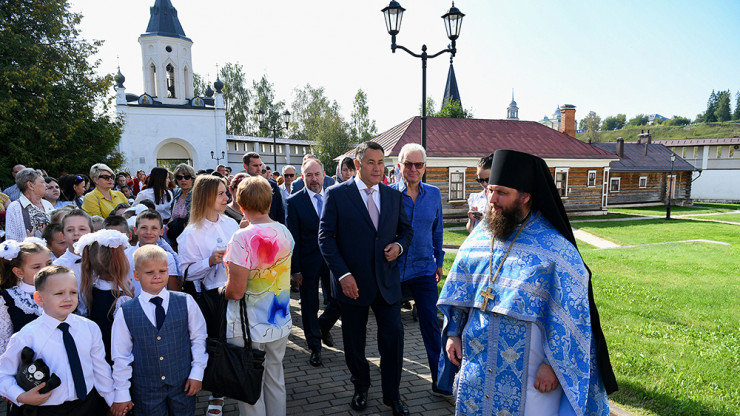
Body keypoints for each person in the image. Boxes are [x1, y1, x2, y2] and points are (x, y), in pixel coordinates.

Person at [438, 149, 618, 416]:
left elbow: (573, 316)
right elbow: (459, 289)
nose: (492, 199)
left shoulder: (556, 249)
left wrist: (553, 365)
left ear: (525, 197)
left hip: (531, 371)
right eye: (490, 190)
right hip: (478, 359)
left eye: (502, 193)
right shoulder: (480, 238)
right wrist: (453, 332)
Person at [318, 141, 413, 416]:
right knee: (354, 342)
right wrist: (343, 275)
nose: (377, 168)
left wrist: (399, 247)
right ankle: (361, 387)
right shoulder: (336, 194)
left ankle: (392, 396)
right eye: (371, 162)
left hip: (387, 284)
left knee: (394, 339)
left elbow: (405, 231)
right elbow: (326, 238)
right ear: (357, 165)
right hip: (352, 285)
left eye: (381, 162)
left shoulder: (393, 196)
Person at [0, 265, 115, 414]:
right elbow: (3, 374)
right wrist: (21, 396)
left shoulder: (89, 328)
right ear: (39, 298)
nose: (68, 298)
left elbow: (100, 369)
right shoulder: (26, 335)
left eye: (73, 292)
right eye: (59, 293)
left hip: (87, 406)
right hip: (45, 410)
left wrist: (113, 400)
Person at [224, 175, 294, 416]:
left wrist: (221, 290)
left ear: (240, 204)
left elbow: (236, 290)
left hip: (249, 325)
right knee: (274, 377)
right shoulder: (284, 231)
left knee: (248, 384)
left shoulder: (241, 238)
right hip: (278, 319)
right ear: (269, 202)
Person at [110, 245, 207, 416]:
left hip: (182, 384)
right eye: (149, 272)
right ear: (136, 275)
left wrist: (197, 373)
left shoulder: (186, 301)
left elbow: (198, 338)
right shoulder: (126, 311)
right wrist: (122, 392)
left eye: (162, 271)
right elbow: (121, 355)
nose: (157, 276)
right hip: (146, 390)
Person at [389, 143, 449, 397]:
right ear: (399, 166)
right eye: (408, 164)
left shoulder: (434, 194)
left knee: (431, 326)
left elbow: (437, 230)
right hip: (394, 271)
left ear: (425, 167)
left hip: (424, 270)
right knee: (392, 330)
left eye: (418, 164)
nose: (413, 169)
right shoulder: (387, 194)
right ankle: (391, 386)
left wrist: (439, 261)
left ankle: (440, 382)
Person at [286, 159, 341, 367]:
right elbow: (294, 238)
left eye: (317, 174)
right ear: (303, 177)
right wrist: (296, 269)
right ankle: (315, 348)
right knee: (310, 306)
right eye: (308, 175)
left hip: (333, 261)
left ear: (324, 175)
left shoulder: (334, 197)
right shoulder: (293, 202)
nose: (314, 179)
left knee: (340, 300)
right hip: (307, 264)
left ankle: (322, 326)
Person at [75, 229, 134, 363]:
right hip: (119, 364)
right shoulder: (122, 300)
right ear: (119, 262)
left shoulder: (90, 292)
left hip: (99, 361)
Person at [0, 238, 51, 354]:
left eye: (49, 263)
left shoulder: (64, 290)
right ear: (19, 272)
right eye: (36, 267)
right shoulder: (8, 299)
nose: (46, 270)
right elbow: (4, 344)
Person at [125, 210, 180, 294]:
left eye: (154, 228)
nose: (149, 232)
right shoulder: (125, 255)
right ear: (135, 230)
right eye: (144, 228)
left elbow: (172, 289)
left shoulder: (167, 257)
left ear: (161, 231)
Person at [53, 209, 94, 315]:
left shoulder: (101, 261)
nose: (76, 233)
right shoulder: (58, 266)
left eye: (82, 229)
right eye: (70, 230)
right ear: (62, 235)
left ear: (92, 233)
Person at [5, 168, 54, 241]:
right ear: (30, 185)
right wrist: (28, 241)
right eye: (42, 182)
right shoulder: (15, 207)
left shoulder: (47, 204)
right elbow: (10, 240)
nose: (47, 185)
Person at [242, 152, 284, 224]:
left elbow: (280, 211)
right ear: (245, 166)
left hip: (271, 230)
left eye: (260, 165)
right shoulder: (240, 186)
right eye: (255, 166)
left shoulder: (272, 185)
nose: (259, 169)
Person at [168, 163, 196, 244]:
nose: (183, 180)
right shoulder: (177, 193)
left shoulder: (196, 195)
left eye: (187, 177)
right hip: (176, 236)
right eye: (179, 177)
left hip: (191, 237)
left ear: (192, 178)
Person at [466, 154, 493, 233]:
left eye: (488, 180)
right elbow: (470, 229)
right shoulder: (475, 197)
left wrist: (484, 220)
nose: (484, 184)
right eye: (480, 180)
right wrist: (471, 220)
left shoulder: (500, 199)